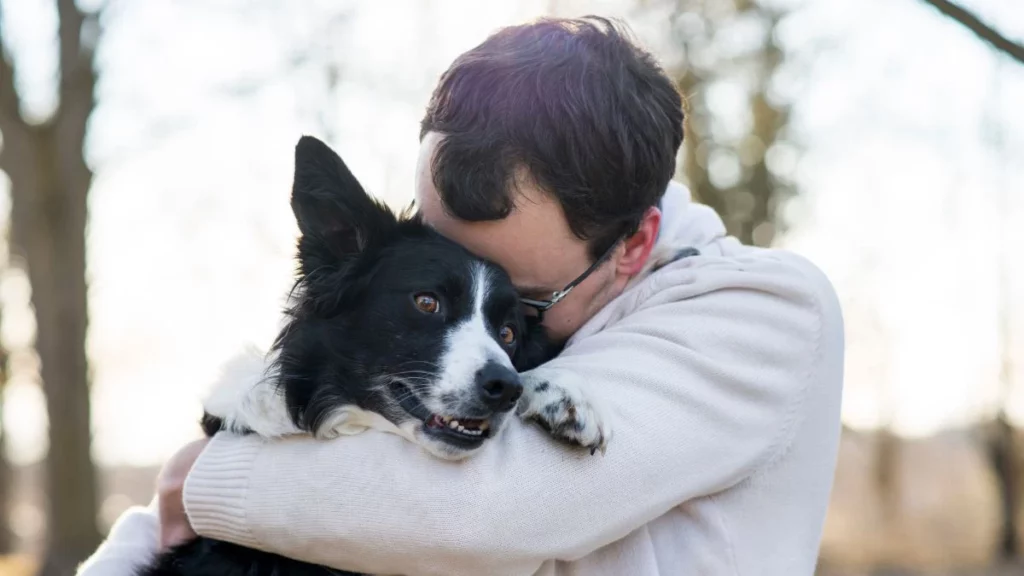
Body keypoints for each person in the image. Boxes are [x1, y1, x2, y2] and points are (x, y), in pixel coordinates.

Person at [79, 16, 843, 576]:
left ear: (634, 246)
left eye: (521, 309)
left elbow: (483, 511)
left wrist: (206, 477)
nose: (497, 350)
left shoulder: (765, 308)